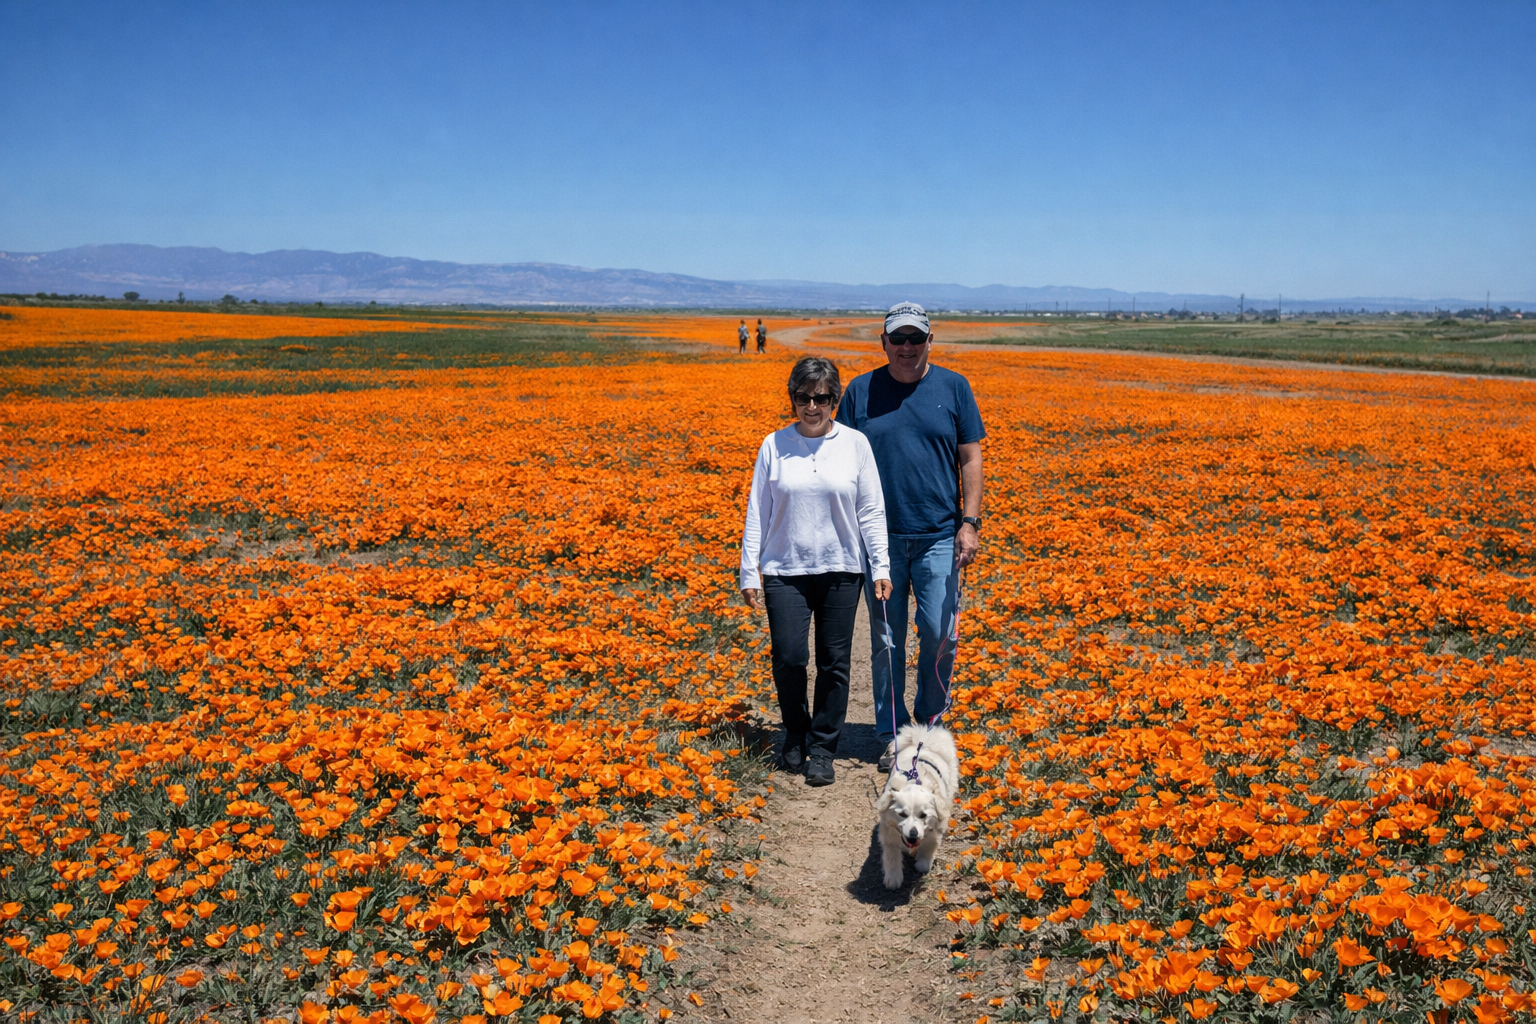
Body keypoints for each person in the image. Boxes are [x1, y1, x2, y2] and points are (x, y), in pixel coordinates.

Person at [835, 302, 985, 772]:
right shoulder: (860, 391)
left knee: (941, 632)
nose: (906, 348)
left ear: (929, 342)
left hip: (940, 534)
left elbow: (971, 459)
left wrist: (970, 522)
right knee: (886, 639)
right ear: (883, 343)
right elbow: (839, 460)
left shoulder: (954, 387)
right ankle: (894, 732)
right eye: (897, 339)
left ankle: (929, 722)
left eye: (914, 339)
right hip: (878, 539)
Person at [740, 356, 893, 786]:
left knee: (834, 663)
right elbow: (758, 512)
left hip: (841, 567)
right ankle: (795, 730)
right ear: (792, 399)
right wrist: (749, 572)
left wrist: (879, 565)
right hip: (784, 568)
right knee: (789, 657)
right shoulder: (773, 445)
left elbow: (871, 510)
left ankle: (823, 747)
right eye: (803, 397)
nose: (812, 406)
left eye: (822, 398)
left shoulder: (855, 445)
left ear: (835, 400)